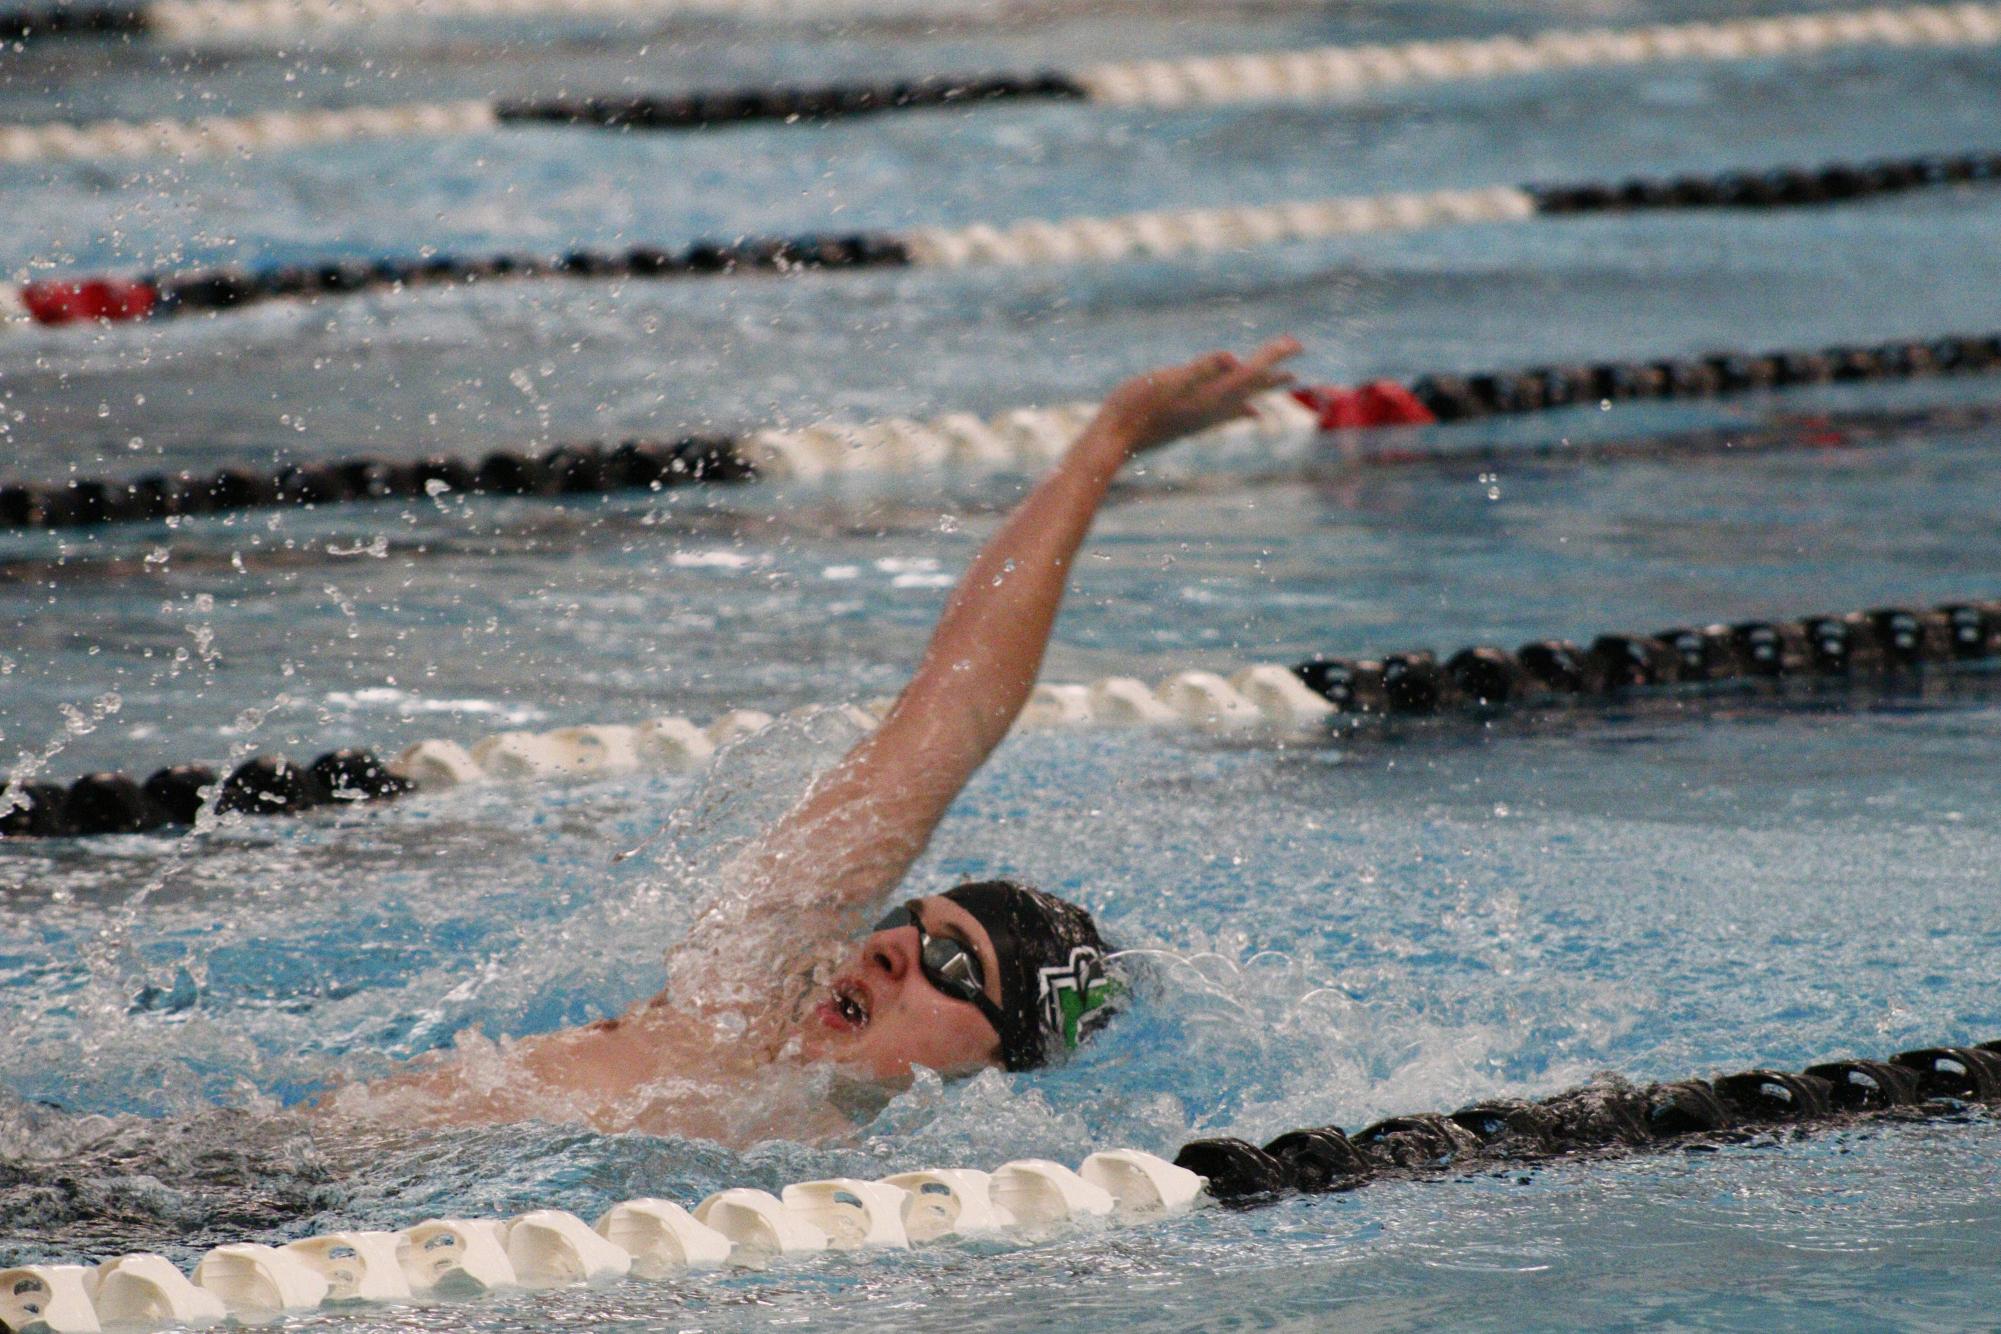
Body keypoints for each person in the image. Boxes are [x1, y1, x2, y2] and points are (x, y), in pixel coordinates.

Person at [327, 337, 1303, 1145]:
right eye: (911, 921)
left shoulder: (849, 1170)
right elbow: (952, 711)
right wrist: (1106, 445)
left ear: (993, 1067)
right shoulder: (733, 999)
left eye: (952, 967)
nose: (890, 953)